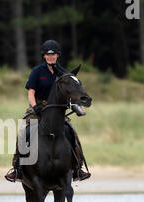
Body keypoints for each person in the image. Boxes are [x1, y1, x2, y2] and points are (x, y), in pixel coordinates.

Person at [5, 40, 91, 182]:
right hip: (38, 107)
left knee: (72, 133)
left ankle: (77, 169)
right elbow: (31, 92)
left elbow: (70, 94)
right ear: (44, 56)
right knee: (23, 132)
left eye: (53, 54)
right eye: (48, 54)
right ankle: (17, 169)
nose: (51, 57)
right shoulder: (37, 71)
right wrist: (35, 107)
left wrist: (76, 107)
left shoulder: (64, 73)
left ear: (58, 55)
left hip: (57, 110)